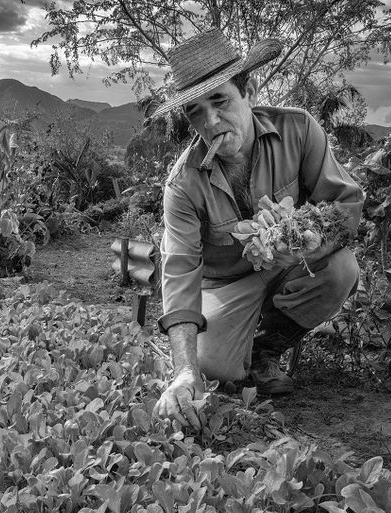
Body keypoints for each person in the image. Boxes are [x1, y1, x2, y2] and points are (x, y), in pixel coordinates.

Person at [150, 29, 364, 429]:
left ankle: (267, 349)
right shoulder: (183, 184)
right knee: (211, 367)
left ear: (248, 90)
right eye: (196, 112)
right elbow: (179, 275)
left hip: (292, 266)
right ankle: (223, 351)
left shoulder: (299, 130)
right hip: (227, 285)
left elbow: (345, 204)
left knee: (342, 270)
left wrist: (309, 239)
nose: (211, 122)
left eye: (220, 101)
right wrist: (185, 370)